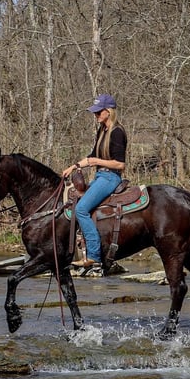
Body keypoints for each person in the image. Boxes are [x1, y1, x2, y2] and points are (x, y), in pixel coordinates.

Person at [62, 93, 128, 269]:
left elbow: (120, 164)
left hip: (110, 177)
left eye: (99, 112)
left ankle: (93, 255)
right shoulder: (103, 131)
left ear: (108, 111)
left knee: (82, 209)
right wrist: (73, 167)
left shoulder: (117, 132)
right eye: (95, 112)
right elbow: (91, 157)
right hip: (100, 176)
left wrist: (97, 162)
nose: (96, 115)